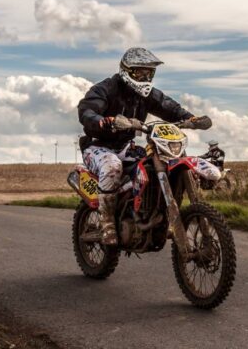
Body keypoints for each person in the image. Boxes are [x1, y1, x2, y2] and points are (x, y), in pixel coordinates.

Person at [78, 47, 198, 245]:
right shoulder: (106, 88)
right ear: (126, 70)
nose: (145, 77)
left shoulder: (147, 94)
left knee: (156, 164)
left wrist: (190, 118)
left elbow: (167, 106)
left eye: (149, 73)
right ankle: (107, 223)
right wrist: (101, 120)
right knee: (112, 167)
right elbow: (87, 109)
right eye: (140, 73)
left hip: (125, 146)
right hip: (98, 147)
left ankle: (155, 213)